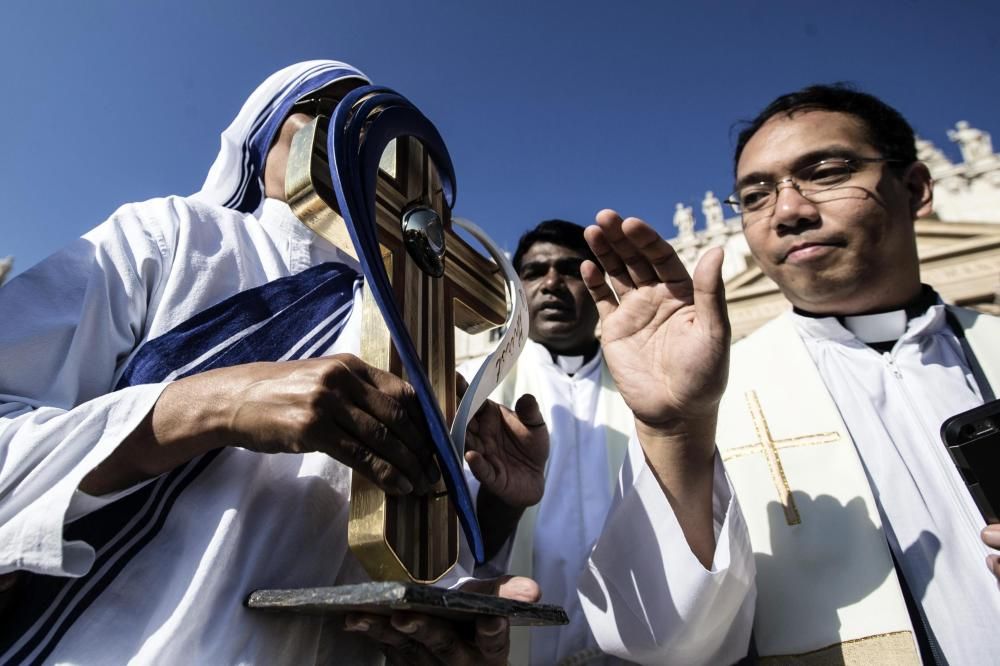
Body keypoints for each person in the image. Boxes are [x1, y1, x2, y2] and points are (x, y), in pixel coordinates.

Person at [0, 60, 547, 665]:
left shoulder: (418, 334)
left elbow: (410, 567)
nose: (356, 134)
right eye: (328, 109)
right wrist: (212, 405)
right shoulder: (174, 237)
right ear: (259, 139)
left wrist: (468, 580)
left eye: (379, 128)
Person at [575, 85, 1000, 664]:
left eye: (826, 172)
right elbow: (660, 643)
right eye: (755, 195)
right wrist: (675, 431)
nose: (789, 212)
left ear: (917, 189)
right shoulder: (715, 394)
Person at [463, 220, 633, 665]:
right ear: (515, 289)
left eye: (571, 269)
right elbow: (455, 541)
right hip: (518, 641)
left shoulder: (647, 386)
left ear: (601, 283)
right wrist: (504, 499)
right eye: (535, 272)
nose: (552, 283)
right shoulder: (477, 390)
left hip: (641, 639)